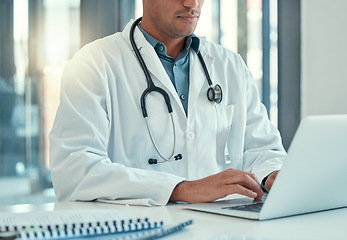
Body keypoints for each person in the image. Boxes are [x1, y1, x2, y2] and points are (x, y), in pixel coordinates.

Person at [49, 0, 286, 206]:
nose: (192, 4)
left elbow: (263, 149)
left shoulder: (229, 65)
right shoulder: (94, 64)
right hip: (139, 230)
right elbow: (76, 170)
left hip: (221, 228)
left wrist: (272, 174)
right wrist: (180, 189)